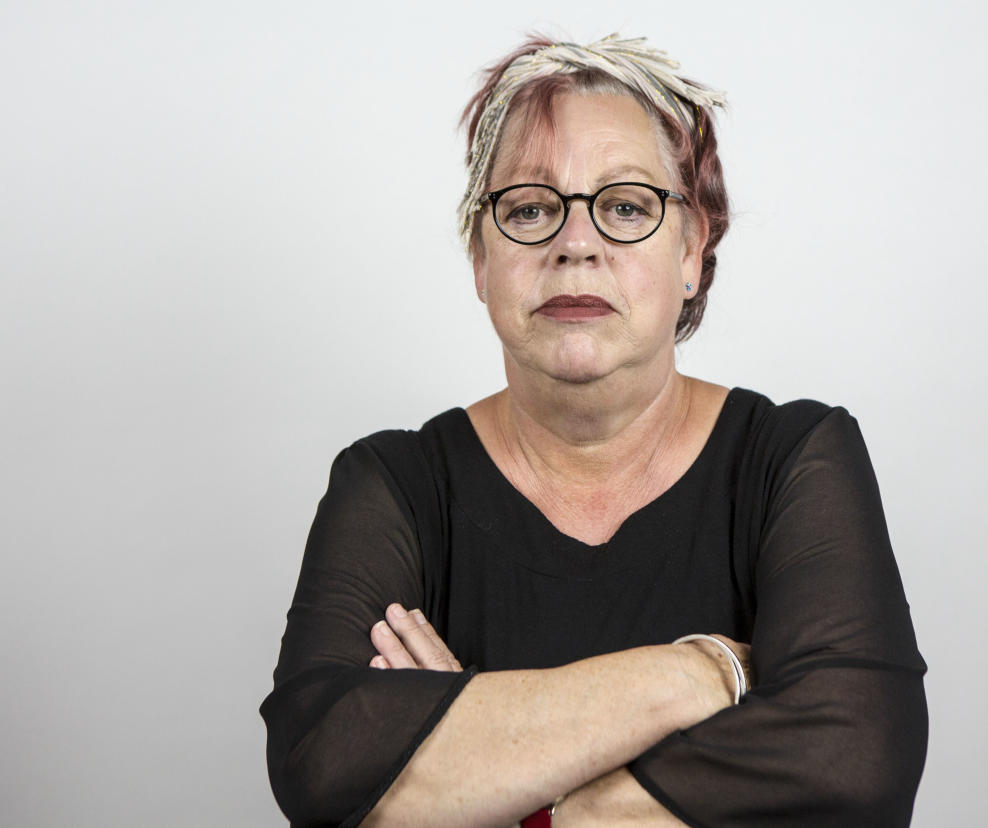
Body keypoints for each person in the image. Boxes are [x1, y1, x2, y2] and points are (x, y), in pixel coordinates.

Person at [260, 33, 928, 827]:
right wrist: (701, 674)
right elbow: (322, 765)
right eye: (532, 208)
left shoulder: (795, 461)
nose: (576, 245)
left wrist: (501, 791)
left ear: (692, 248)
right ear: (480, 255)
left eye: (624, 207)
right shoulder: (394, 487)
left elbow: (852, 764)